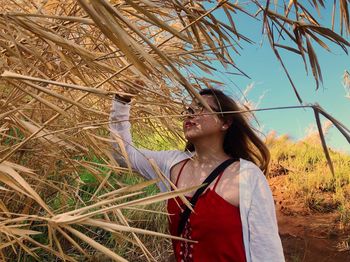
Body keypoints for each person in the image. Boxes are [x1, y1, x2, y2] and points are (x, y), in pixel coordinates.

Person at [109, 87, 285, 262]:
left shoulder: (247, 176)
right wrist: (122, 102)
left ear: (225, 122)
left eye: (200, 108)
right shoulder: (172, 164)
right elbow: (124, 155)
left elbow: (267, 250)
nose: (190, 114)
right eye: (189, 110)